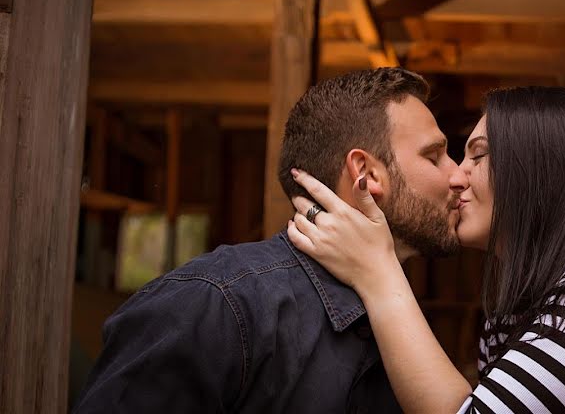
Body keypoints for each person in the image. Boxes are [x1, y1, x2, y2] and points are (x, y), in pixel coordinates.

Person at [287, 86, 565, 414]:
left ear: (541, 170)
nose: (456, 177)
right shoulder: (515, 311)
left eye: (477, 156)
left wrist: (378, 272)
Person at [74, 68, 467, 413]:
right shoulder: (216, 304)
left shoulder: (401, 327)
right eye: (434, 156)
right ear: (365, 174)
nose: (458, 176)